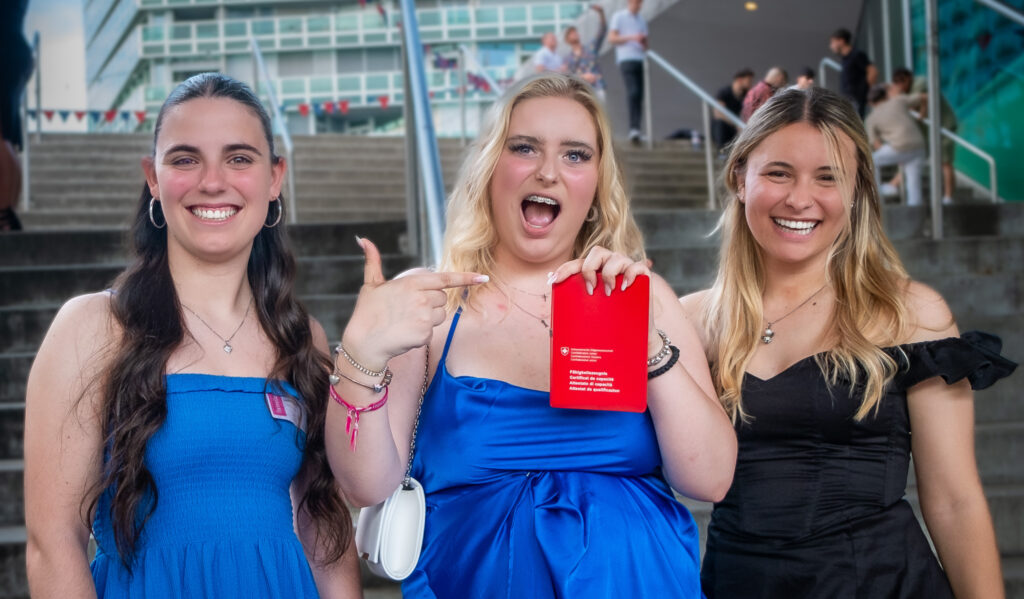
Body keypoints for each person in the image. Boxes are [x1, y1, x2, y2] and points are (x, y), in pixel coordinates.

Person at [328, 73, 737, 598]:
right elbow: (363, 486)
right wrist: (360, 354)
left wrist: (647, 340)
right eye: (525, 148)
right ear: (490, 166)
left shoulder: (644, 294)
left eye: (575, 155)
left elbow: (711, 480)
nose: (548, 172)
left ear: (595, 184)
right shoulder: (432, 304)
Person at [23, 73, 361, 597]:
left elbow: (324, 529)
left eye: (239, 158)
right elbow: (53, 542)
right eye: (184, 159)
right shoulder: (92, 328)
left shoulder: (301, 337)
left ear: (275, 179)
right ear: (153, 180)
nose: (212, 181)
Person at [680, 87, 1014, 598]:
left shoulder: (910, 313)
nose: (799, 198)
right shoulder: (689, 321)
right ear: (739, 178)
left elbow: (954, 500)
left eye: (827, 177)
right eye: (778, 172)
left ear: (857, 191)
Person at [890, 67, 958, 204]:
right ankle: (894, 184)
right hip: (928, 132)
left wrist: (897, 96)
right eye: (896, 84)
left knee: (945, 162)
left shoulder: (920, 83)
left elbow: (913, 103)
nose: (899, 87)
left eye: (900, 83)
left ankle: (949, 196)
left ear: (908, 79)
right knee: (910, 157)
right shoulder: (906, 91)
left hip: (943, 127)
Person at [865, 83, 926, 206]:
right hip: (919, 146)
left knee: (870, 161)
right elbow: (924, 97)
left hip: (898, 147)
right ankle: (915, 214)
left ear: (870, 103)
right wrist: (922, 115)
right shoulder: (898, 101)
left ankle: (875, 196)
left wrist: (893, 154)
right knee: (913, 184)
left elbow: (876, 145)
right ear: (886, 96)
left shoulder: (871, 118)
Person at [0, 0, 32, 230]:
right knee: (7, 137)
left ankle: (3, 213)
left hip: (5, 51)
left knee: (2, 137)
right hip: (13, 51)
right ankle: (7, 211)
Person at [608, 0, 649, 143]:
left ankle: (636, 128)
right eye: (637, 2)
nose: (639, 5)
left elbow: (645, 43)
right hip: (626, 58)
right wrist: (632, 37)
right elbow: (612, 38)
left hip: (640, 59)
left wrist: (642, 41)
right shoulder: (619, 16)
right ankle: (633, 128)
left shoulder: (641, 20)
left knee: (639, 95)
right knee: (633, 91)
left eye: (640, 3)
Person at [829, 27, 877, 117]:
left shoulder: (857, 54)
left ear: (841, 41)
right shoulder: (845, 58)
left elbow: (872, 71)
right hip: (847, 99)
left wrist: (868, 92)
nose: (831, 46)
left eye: (833, 42)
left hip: (856, 99)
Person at [564, 4, 608, 100]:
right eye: (571, 33)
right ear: (567, 39)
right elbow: (568, 77)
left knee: (602, 114)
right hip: (583, 92)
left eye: (575, 32)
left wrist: (601, 13)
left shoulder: (591, 47)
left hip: (598, 87)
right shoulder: (568, 59)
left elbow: (602, 31)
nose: (575, 34)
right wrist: (583, 77)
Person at [712, 68, 754, 150]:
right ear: (740, 80)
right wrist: (736, 123)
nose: (750, 85)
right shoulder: (724, 92)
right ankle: (722, 151)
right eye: (749, 81)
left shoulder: (746, 96)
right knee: (720, 123)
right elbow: (718, 113)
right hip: (726, 128)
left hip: (737, 129)